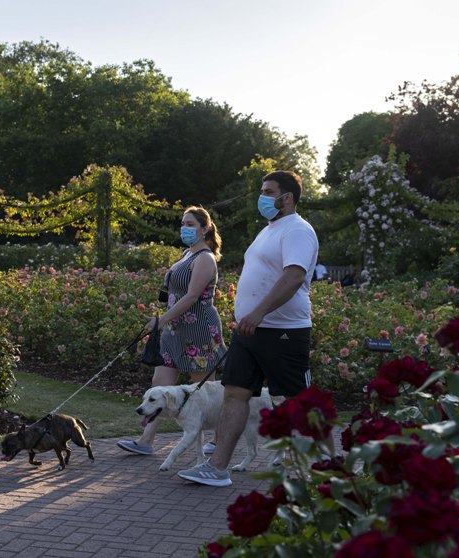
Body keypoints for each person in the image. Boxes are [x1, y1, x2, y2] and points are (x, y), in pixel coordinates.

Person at [177, 171, 319, 487]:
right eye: (262, 191)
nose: (262, 197)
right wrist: (249, 316)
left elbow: (294, 277)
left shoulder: (298, 231)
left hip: (283, 330)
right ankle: (217, 469)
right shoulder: (269, 230)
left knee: (293, 400)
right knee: (235, 393)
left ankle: (325, 463)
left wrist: (258, 313)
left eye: (269, 192)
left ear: (288, 197)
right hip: (250, 330)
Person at [117, 206, 228, 457]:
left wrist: (162, 319)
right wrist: (164, 320)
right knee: (159, 384)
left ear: (205, 228)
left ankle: (217, 439)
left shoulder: (205, 258)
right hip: (174, 329)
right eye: (183, 223)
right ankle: (146, 441)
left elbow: (192, 296)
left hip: (197, 329)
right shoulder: (186, 254)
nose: (185, 228)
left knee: (203, 390)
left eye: (190, 224)